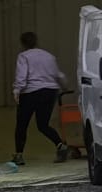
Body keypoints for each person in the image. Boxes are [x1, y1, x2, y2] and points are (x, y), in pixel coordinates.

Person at [12, 32, 67, 166]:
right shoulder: (49, 56)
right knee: (43, 125)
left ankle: (19, 155)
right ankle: (60, 145)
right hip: (49, 91)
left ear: (23, 43)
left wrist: (17, 89)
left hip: (31, 92)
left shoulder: (23, 56)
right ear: (36, 41)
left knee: (22, 124)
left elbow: (22, 75)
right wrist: (64, 86)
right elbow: (57, 74)